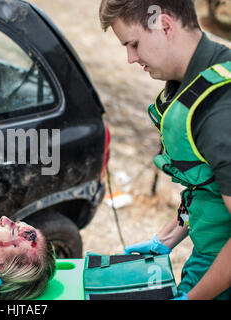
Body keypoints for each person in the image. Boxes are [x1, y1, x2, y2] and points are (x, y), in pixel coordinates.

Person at [99, 0, 231, 300]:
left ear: (165, 25)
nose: (131, 58)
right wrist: (166, 237)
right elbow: (206, 186)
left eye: (133, 44)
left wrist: (194, 297)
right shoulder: (198, 79)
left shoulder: (220, 111)